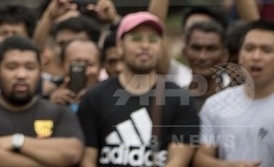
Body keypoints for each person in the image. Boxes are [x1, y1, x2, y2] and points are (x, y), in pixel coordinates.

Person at [78, 11, 199, 167]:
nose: (145, 45)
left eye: (153, 39)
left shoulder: (180, 99)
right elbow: (87, 160)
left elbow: (177, 161)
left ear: (162, 48)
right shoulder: (95, 97)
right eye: (136, 39)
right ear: (119, 46)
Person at [0, 35, 84, 166]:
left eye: (30, 67)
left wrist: (18, 141)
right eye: (12, 67)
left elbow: (72, 152)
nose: (21, 75)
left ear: (40, 71)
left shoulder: (59, 112)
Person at [194, 19, 274, 166]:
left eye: (266, 50)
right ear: (240, 56)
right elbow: (200, 158)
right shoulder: (215, 104)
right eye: (249, 48)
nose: (256, 57)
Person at [180, 19, 228, 111]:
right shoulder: (173, 103)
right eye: (196, 48)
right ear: (184, 53)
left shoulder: (235, 102)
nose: (203, 57)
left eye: (211, 49)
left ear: (224, 55)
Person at [48, 38, 102, 112]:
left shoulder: (112, 93)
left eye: (89, 64)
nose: (83, 71)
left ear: (100, 67)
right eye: (76, 63)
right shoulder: (48, 91)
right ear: (62, 65)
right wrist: (50, 107)